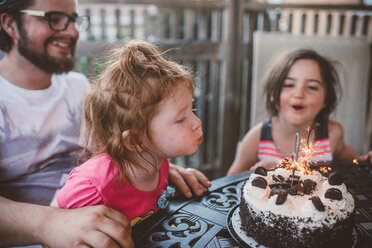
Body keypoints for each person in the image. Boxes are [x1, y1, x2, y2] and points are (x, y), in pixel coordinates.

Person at [0, 0, 210, 246]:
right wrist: (49, 223)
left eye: (74, 20)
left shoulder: (76, 86)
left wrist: (153, 164)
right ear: (10, 24)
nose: (72, 31)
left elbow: (119, 148)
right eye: (53, 18)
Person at [56, 40, 204, 227]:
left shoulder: (160, 163)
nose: (197, 123)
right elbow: (59, 224)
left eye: (193, 109)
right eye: (180, 119)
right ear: (135, 140)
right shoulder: (94, 188)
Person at [227, 49, 372, 176]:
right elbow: (230, 182)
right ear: (273, 94)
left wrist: (365, 160)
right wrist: (256, 173)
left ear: (326, 100)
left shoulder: (332, 134)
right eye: (289, 85)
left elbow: (356, 162)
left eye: (312, 87)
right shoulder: (257, 137)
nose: (299, 93)